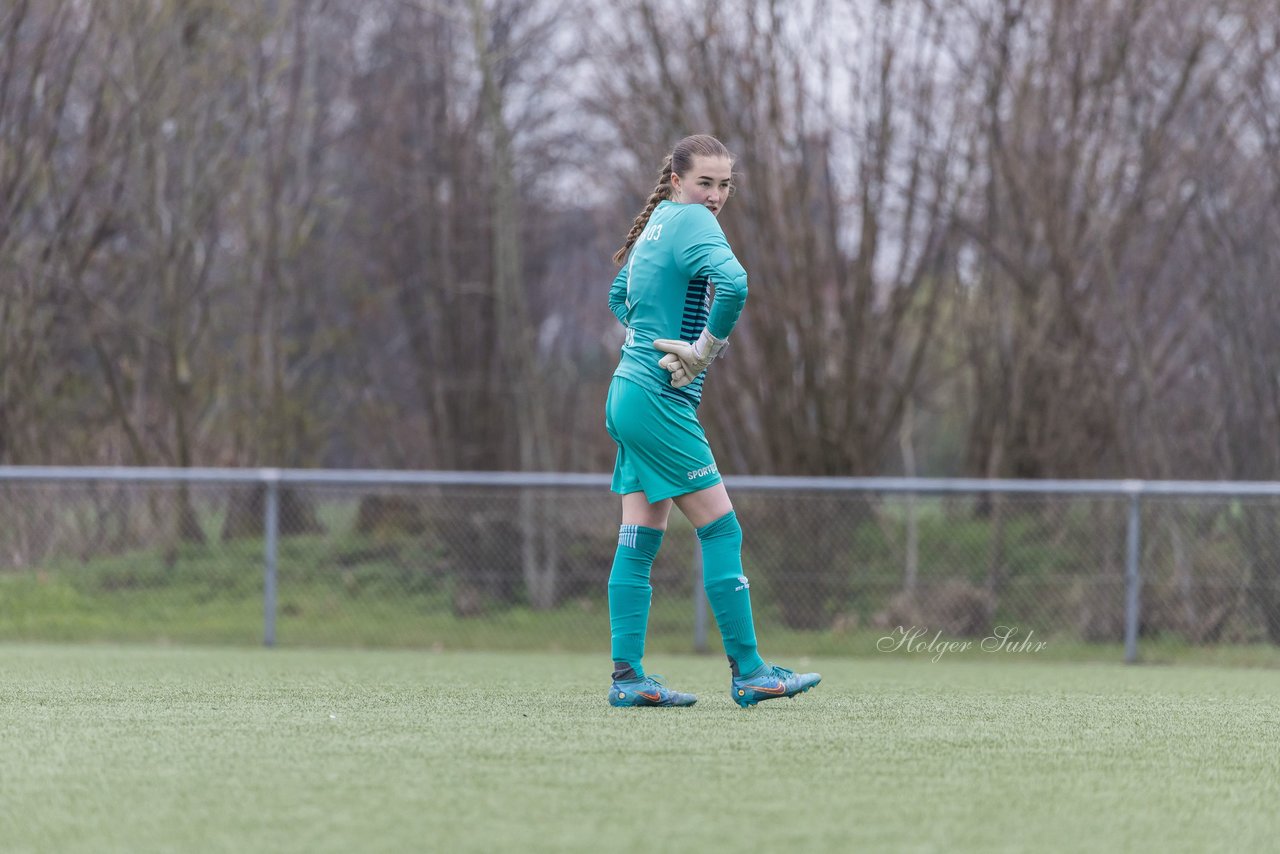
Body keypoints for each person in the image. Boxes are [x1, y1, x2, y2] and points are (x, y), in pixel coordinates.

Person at [603, 134, 821, 708]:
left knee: (639, 540)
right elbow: (737, 284)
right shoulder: (695, 223)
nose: (716, 195)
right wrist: (705, 348)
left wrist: (646, 340)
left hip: (627, 391)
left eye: (725, 185)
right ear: (677, 180)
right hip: (657, 399)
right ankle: (749, 671)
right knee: (722, 529)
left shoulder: (657, 223)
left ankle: (627, 681)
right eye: (705, 182)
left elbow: (618, 296)